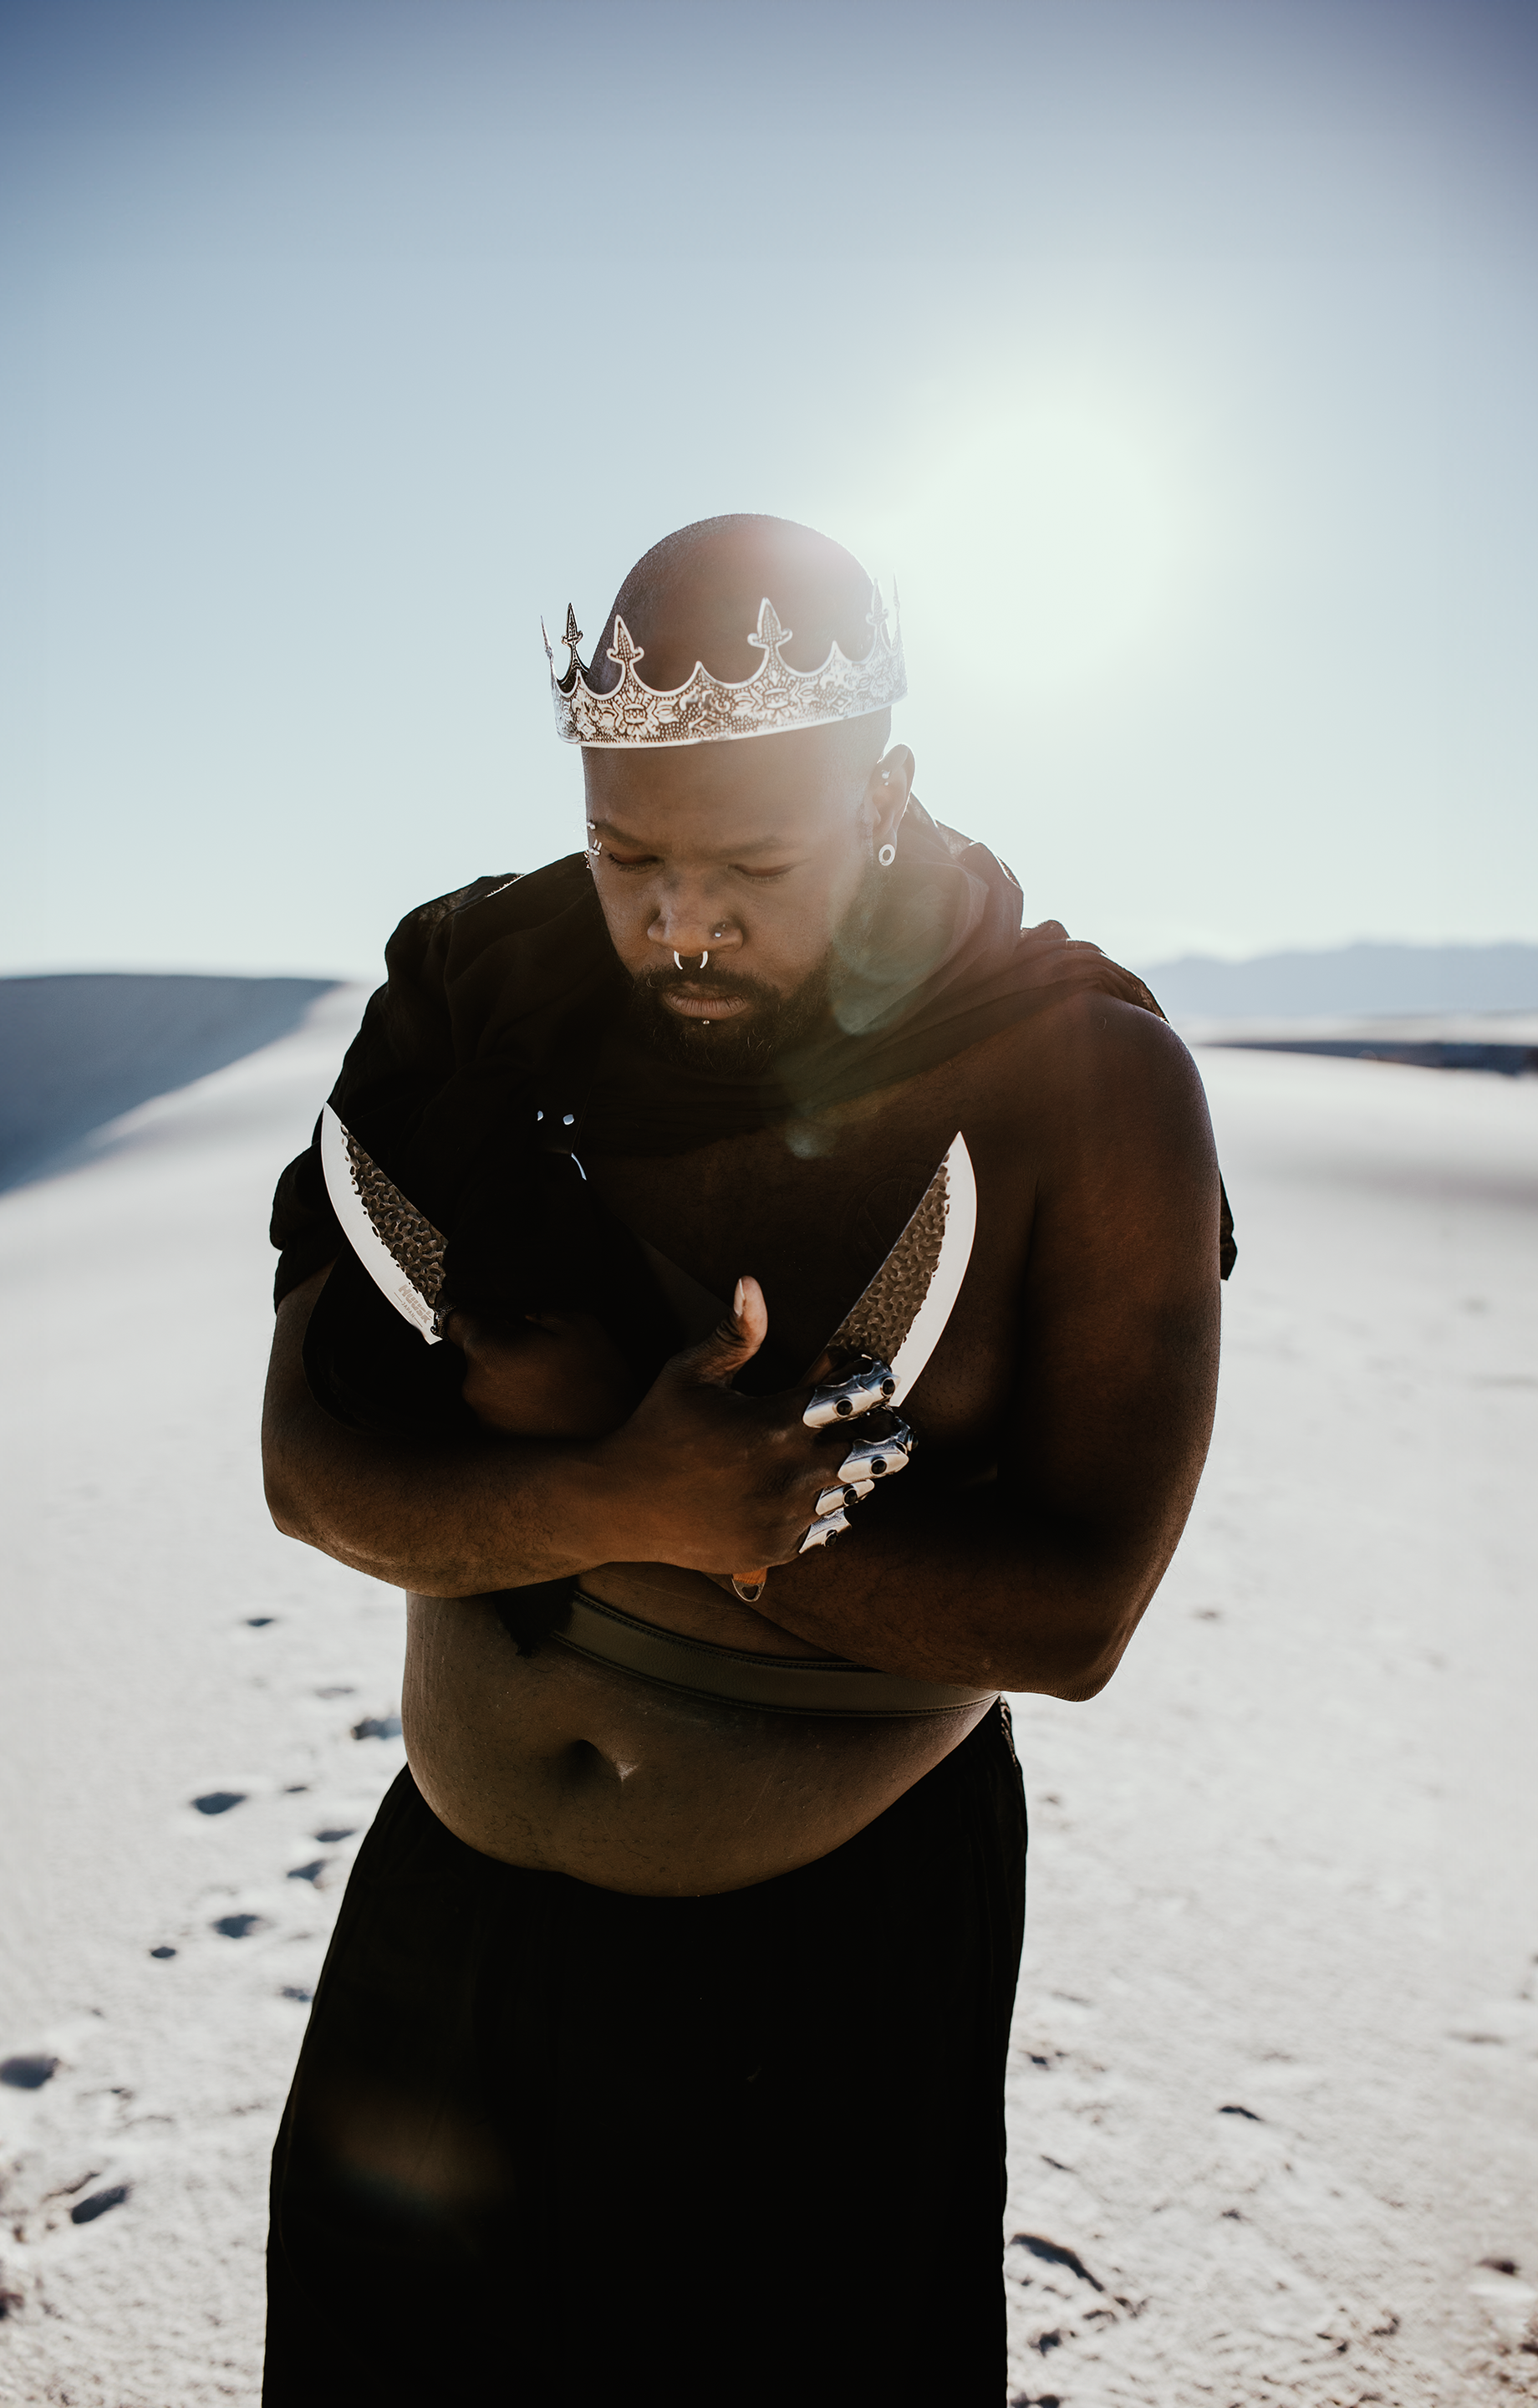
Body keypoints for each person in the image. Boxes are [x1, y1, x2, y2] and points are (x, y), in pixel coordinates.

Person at [258, 514, 1230, 2403]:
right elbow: (311, 1473)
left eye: (752, 870)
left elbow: (1077, 1615)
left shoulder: (1083, 1077)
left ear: (886, 796)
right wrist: (626, 1490)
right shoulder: (479, 997)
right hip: (443, 1930)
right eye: (627, 859)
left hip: (828, 1980)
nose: (679, 924)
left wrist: (701, 1515)